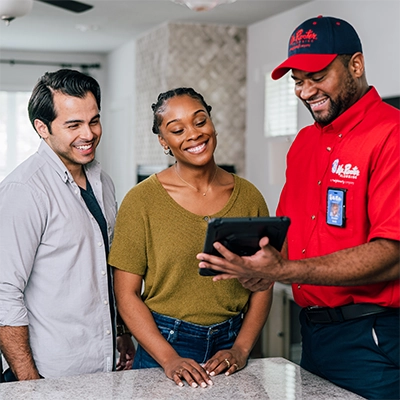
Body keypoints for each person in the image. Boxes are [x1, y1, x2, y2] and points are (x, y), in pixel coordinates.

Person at [196, 15, 400, 400]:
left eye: (317, 76)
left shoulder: (392, 133)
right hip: (314, 334)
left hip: (373, 337)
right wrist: (258, 270)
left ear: (355, 64)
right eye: (297, 81)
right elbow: (293, 239)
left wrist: (283, 269)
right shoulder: (304, 142)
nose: (306, 91)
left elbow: (392, 255)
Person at [108, 87, 272, 388]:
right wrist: (169, 358)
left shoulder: (249, 196)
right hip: (163, 345)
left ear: (212, 123)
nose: (193, 134)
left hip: (232, 347)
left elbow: (264, 281)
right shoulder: (141, 201)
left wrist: (241, 348)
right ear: (164, 142)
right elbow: (126, 294)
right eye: (177, 129)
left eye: (200, 121)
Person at [0, 69, 135, 382]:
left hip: (103, 365)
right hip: (48, 373)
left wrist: (121, 333)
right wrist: (29, 383)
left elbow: (104, 270)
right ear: (42, 128)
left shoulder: (103, 182)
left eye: (94, 121)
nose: (88, 134)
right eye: (73, 125)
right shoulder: (24, 191)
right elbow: (4, 294)